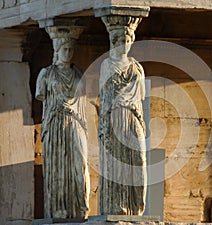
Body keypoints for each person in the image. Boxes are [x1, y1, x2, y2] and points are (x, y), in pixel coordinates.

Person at [36, 32, 89, 219]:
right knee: (58, 165)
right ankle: (58, 209)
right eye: (64, 49)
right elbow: (41, 95)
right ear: (57, 51)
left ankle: (80, 207)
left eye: (71, 49)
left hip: (75, 121)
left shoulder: (78, 73)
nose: (68, 53)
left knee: (79, 162)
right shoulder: (46, 74)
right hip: (55, 121)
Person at [99, 17, 147, 215]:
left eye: (128, 41)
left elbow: (142, 95)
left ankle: (137, 207)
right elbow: (104, 94)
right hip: (115, 115)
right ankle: (117, 207)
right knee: (116, 160)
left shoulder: (137, 67)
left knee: (139, 158)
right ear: (114, 41)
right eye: (121, 41)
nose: (125, 45)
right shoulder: (107, 65)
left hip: (133, 116)